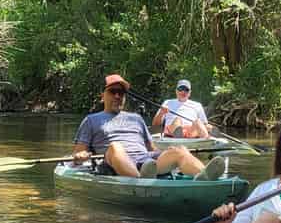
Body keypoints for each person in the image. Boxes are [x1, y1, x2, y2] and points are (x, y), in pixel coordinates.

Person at [72, 74, 225, 179]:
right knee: (115, 147)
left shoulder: (136, 118)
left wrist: (168, 155)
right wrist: (81, 156)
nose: (117, 96)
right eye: (113, 92)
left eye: (121, 93)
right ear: (102, 96)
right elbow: (79, 153)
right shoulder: (91, 120)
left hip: (146, 162)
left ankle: (204, 176)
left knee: (179, 150)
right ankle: (141, 182)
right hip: (116, 162)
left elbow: (152, 149)